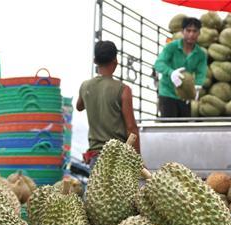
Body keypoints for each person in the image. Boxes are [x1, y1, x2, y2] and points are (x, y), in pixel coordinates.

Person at [76, 40, 140, 169]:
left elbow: (79, 106)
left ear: (95, 61)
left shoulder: (85, 86)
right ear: (115, 60)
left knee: (96, 189)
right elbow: (131, 127)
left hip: (96, 157)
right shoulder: (123, 89)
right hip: (118, 158)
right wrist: (137, 158)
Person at [154, 17, 207, 118]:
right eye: (188, 30)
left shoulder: (200, 54)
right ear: (183, 32)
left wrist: (197, 86)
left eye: (195, 31)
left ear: (199, 33)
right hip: (167, 93)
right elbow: (158, 64)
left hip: (185, 95)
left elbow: (201, 72)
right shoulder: (171, 47)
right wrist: (171, 72)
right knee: (170, 127)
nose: (191, 34)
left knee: (183, 128)